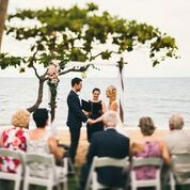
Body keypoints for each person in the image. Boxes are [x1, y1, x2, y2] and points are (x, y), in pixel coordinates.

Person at [78, 110, 130, 190]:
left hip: (101, 176)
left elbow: (89, 157)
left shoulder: (96, 136)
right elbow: (126, 158)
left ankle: (83, 187)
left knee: (85, 166)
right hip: (118, 178)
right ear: (116, 122)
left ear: (104, 122)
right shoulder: (125, 140)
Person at [131, 117, 170, 182]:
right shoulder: (161, 144)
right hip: (155, 176)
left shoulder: (135, 144)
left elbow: (130, 160)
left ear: (141, 129)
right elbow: (166, 159)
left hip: (138, 177)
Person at [66, 77, 89, 164]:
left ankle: (70, 163)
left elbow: (79, 108)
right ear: (76, 85)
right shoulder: (72, 96)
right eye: (80, 85)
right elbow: (77, 111)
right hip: (74, 124)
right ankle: (70, 165)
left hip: (75, 123)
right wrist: (87, 119)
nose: (81, 87)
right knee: (74, 144)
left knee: (74, 143)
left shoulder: (74, 95)